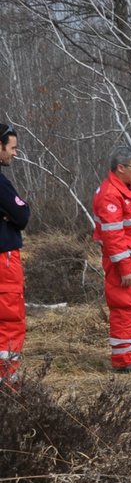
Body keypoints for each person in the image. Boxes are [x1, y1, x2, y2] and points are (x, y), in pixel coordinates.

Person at [91, 145, 131, 373]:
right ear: (121, 168)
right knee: (124, 309)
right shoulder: (111, 194)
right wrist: (124, 267)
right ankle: (123, 360)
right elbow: (112, 235)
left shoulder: (127, 190)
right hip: (123, 265)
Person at [0, 123, 29, 389]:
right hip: (3, 258)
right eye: (12, 148)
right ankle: (7, 381)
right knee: (9, 318)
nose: (15, 154)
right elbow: (22, 214)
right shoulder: (1, 183)